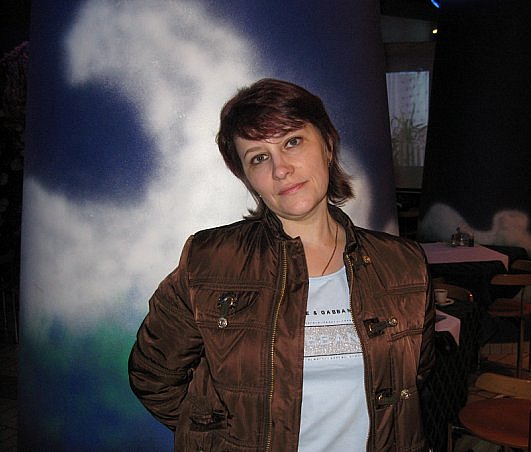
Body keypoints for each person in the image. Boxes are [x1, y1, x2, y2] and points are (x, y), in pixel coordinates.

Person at [129, 78, 435, 451]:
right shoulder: (209, 261)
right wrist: (219, 439)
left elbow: (416, 376)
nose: (280, 169)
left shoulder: (404, 264)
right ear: (247, 177)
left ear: (328, 144)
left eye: (292, 141)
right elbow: (153, 374)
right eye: (259, 157)